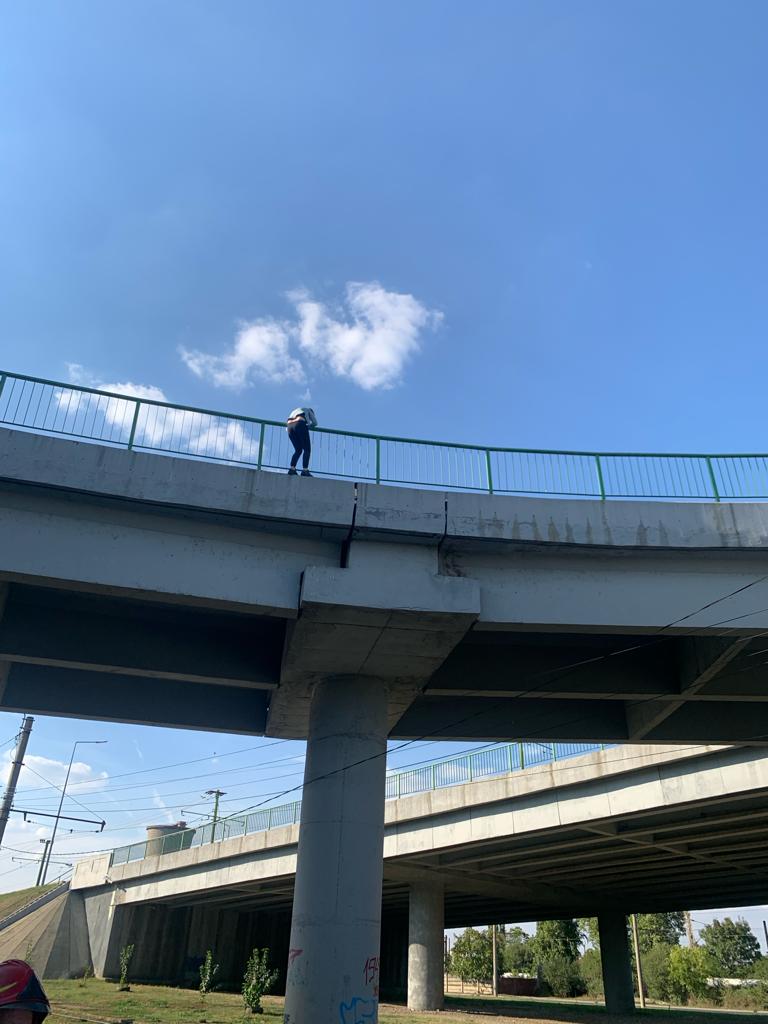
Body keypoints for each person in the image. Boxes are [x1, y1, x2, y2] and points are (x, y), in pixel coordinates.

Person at [286, 407, 317, 477]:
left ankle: (292, 469)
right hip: (300, 423)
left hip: (289, 427)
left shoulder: (296, 411)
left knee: (298, 450)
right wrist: (308, 426)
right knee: (307, 449)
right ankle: (305, 470)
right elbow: (315, 423)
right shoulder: (308, 410)